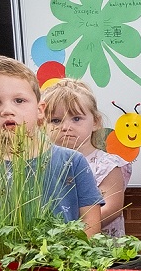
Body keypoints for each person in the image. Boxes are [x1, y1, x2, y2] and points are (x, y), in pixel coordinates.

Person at [0, 57, 102, 235]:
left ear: (40, 110)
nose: (7, 110)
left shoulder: (72, 162)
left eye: (19, 101)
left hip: (66, 261)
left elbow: (90, 226)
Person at [43, 79, 133, 236]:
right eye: (55, 120)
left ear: (96, 122)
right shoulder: (42, 164)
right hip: (52, 247)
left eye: (76, 118)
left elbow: (112, 207)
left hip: (101, 252)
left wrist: (72, 233)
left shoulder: (107, 165)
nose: (65, 127)